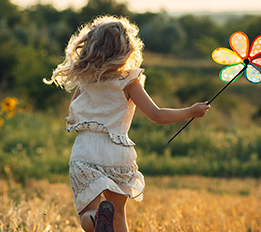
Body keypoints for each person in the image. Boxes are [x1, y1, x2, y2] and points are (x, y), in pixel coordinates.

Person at [44, 15, 210, 232]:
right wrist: (190, 111)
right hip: (116, 152)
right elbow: (157, 115)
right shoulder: (128, 80)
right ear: (127, 49)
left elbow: (72, 113)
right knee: (118, 214)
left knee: (88, 212)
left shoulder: (85, 79)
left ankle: (95, 219)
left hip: (85, 151)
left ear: (91, 46)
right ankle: (106, 221)